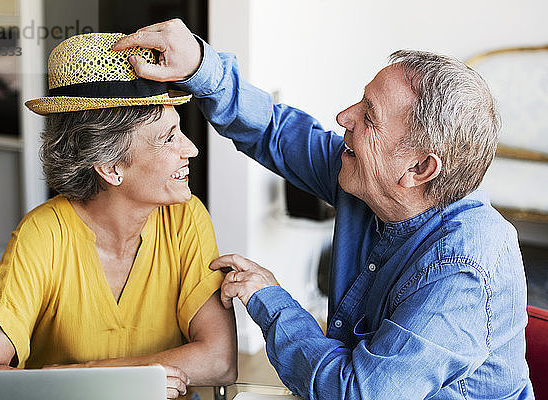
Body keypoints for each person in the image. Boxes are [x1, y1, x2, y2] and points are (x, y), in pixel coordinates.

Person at [113, 19, 534, 399]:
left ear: (419, 168)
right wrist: (199, 65)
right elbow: (274, 131)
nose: (342, 117)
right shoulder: (373, 176)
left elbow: (353, 393)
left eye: (368, 116)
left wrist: (270, 300)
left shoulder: (462, 268)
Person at [0, 32, 237, 400]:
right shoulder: (43, 234)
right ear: (110, 166)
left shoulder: (185, 217)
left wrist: (89, 375)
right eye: (168, 137)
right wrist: (132, 380)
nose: (189, 148)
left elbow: (220, 360)